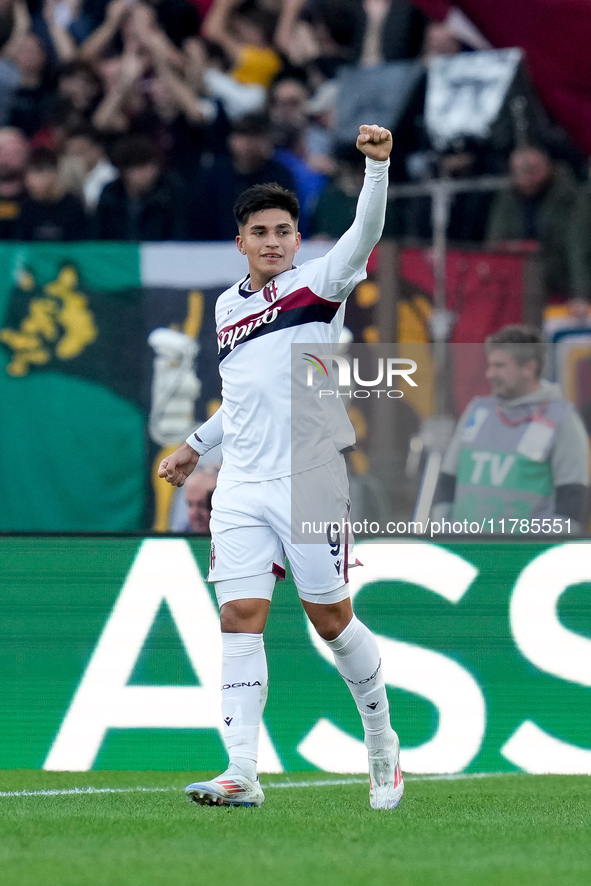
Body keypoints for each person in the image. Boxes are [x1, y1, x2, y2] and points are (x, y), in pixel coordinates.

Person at [159, 123, 404, 811]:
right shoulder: (226, 307)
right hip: (240, 482)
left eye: (283, 230)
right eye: (260, 231)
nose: (272, 241)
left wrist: (376, 168)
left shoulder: (320, 285)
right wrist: (196, 447)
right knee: (239, 615)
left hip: (310, 474)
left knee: (329, 619)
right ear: (240, 241)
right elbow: (243, 396)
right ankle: (241, 772)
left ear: (297, 240)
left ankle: (381, 740)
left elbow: (364, 232)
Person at [431, 325, 590, 533]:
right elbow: (448, 478)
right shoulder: (478, 410)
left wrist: (548, 550)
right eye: (490, 365)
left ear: (529, 368)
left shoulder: (562, 418)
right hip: (464, 549)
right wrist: (442, 531)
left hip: (523, 555)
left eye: (500, 366)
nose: (489, 374)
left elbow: (572, 495)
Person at [486, 145, 591, 321]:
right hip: (517, 288)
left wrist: (582, 295)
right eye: (519, 172)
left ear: (548, 166)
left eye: (532, 170)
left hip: (561, 287)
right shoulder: (507, 197)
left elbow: (579, 250)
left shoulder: (571, 197)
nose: (526, 178)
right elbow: (495, 243)